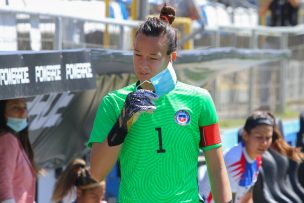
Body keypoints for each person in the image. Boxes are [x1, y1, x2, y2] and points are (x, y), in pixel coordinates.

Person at [88, 3, 232, 203]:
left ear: (171, 57)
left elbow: (216, 167)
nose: (143, 64)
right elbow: (96, 173)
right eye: (137, 54)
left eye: (153, 57)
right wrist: (125, 120)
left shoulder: (200, 100)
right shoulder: (114, 102)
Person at [200, 111, 275, 203]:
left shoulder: (257, 158)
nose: (264, 143)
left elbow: (247, 198)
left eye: (268, 138)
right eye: (259, 137)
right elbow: (228, 200)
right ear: (245, 135)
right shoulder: (234, 160)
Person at [0, 98, 37, 203]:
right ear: (2, 113)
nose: (23, 112)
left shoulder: (14, 140)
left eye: (24, 107)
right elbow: (3, 182)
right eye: (15, 107)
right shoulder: (7, 139)